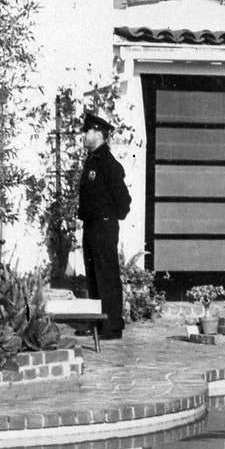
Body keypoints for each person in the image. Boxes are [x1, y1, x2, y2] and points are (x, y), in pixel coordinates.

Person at [78, 111, 132, 339]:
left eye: (87, 131)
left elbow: (123, 200)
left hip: (103, 225)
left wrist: (109, 217)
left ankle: (111, 326)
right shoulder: (93, 161)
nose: (84, 135)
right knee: (93, 275)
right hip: (91, 225)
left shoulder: (108, 164)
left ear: (98, 134)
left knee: (106, 275)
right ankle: (99, 323)